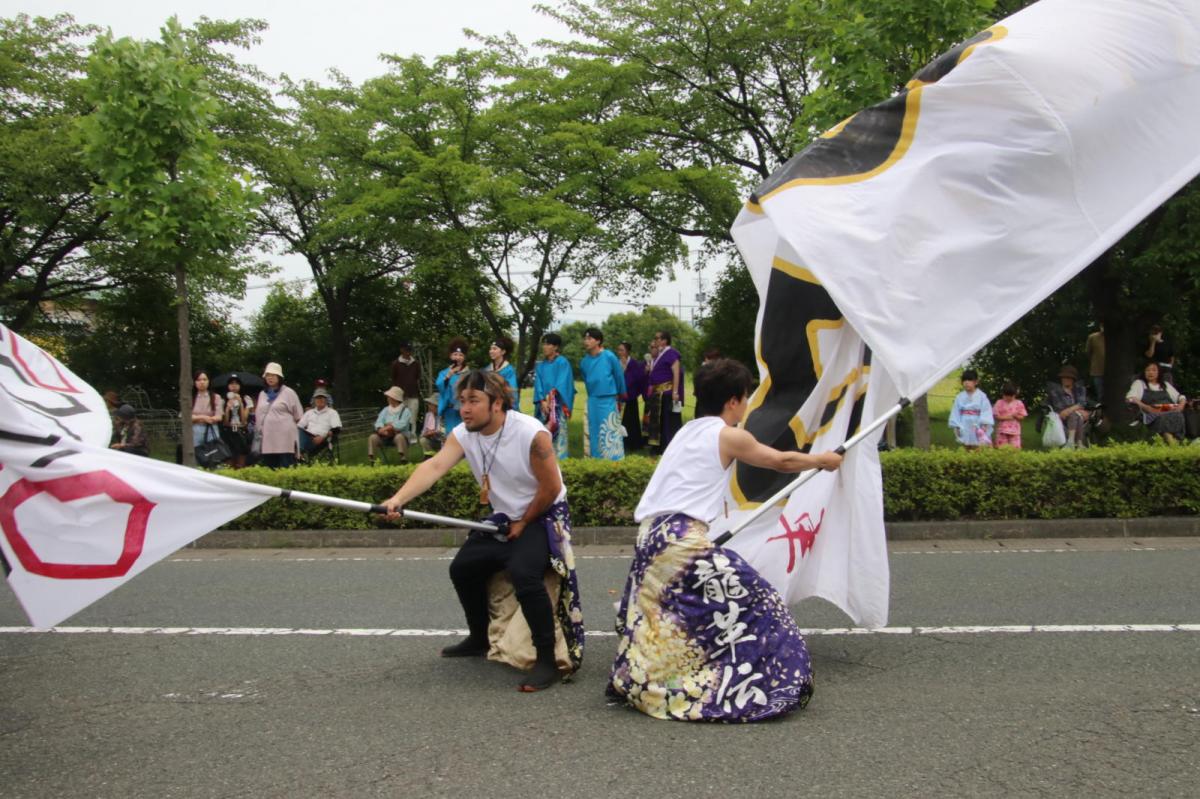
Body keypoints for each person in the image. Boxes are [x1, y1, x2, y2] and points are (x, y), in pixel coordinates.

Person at [607, 358, 842, 722]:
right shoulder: (729, 434)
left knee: (665, 613)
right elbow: (778, 461)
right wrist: (822, 460)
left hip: (651, 534)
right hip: (680, 540)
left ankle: (650, 679)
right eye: (746, 397)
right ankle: (764, 684)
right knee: (761, 600)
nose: (746, 405)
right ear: (733, 400)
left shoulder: (687, 431)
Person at [380, 370, 584, 692]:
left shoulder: (531, 434)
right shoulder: (464, 433)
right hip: (504, 516)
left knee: (523, 572)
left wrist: (524, 521)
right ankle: (479, 638)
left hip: (543, 515)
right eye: (462, 401)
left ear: (497, 403)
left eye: (474, 401)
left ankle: (546, 661)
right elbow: (433, 466)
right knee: (462, 568)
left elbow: (551, 487)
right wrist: (398, 499)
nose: (465, 409)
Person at [580, 327, 626, 460]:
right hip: (593, 400)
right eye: (585, 338)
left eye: (589, 338)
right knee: (594, 430)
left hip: (608, 399)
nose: (586, 341)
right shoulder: (584, 361)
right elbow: (586, 379)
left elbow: (618, 376)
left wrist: (620, 394)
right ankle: (595, 457)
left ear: (598, 341)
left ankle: (614, 458)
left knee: (609, 429)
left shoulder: (609, 356)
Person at [533, 332, 575, 459]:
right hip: (542, 407)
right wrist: (542, 401)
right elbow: (538, 384)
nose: (544, 347)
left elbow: (562, 383)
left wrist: (551, 400)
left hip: (557, 407)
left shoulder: (563, 363)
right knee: (542, 435)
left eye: (548, 344)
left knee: (559, 434)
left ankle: (560, 461)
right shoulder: (541, 365)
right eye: (543, 344)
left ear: (556, 347)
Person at [254, 362, 303, 468]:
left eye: (273, 375)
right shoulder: (262, 394)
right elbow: (258, 415)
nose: (270, 378)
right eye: (267, 375)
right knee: (270, 468)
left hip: (285, 438)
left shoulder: (289, 392)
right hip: (268, 438)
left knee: (286, 467)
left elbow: (298, 415)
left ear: (279, 377)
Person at [1126, 362, 1187, 444]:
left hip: (1169, 410)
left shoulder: (1165, 385)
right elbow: (1130, 398)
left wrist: (1181, 405)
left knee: (1179, 415)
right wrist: (1146, 407)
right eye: (1148, 370)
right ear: (1144, 372)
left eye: (1154, 370)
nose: (1151, 372)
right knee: (1163, 417)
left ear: (1159, 372)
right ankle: (1171, 441)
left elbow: (1180, 397)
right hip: (1150, 414)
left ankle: (1175, 440)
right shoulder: (1139, 383)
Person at [645, 330, 684, 454]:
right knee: (657, 422)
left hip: (666, 393)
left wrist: (675, 391)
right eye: (655, 338)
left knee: (667, 422)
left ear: (664, 340)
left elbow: (676, 373)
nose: (655, 341)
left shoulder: (672, 353)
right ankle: (658, 446)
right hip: (657, 394)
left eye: (657, 338)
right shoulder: (659, 355)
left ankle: (669, 446)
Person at [1046, 365, 1090, 449]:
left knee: (1077, 416)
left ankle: (1071, 442)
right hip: (1061, 415)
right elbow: (1060, 407)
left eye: (1068, 377)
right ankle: (1077, 443)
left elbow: (1083, 403)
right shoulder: (1056, 391)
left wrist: (1071, 409)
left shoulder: (1080, 389)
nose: (1065, 379)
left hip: (1075, 414)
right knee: (1077, 415)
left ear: (1073, 379)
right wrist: (1076, 408)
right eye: (1063, 377)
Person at [948, 369, 994, 449]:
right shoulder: (959, 397)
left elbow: (986, 410)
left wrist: (984, 424)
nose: (966, 382)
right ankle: (967, 459)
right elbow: (955, 412)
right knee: (966, 444)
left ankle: (977, 460)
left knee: (978, 445)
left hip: (977, 422)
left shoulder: (982, 396)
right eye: (964, 380)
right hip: (964, 422)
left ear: (976, 382)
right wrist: (957, 426)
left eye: (969, 380)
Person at [369, 386, 413, 464]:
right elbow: (379, 422)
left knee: (399, 437)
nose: (388, 399)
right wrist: (380, 429)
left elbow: (401, 424)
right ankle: (372, 460)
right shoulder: (385, 410)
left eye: (389, 397)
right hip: (385, 436)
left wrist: (389, 427)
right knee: (373, 437)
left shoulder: (406, 411)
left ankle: (403, 459)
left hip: (398, 435)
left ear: (395, 398)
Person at [298, 387, 343, 459]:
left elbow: (337, 429)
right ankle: (299, 453)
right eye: (318, 398)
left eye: (322, 397)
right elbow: (300, 426)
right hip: (308, 439)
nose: (320, 400)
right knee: (296, 430)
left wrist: (323, 437)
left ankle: (299, 454)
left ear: (326, 400)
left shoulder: (332, 412)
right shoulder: (309, 413)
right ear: (314, 400)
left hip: (323, 441)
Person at [617, 341, 646, 452]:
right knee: (619, 420)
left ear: (628, 351)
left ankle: (633, 443)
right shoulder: (616, 362)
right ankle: (620, 442)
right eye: (618, 350)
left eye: (622, 350)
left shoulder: (634, 364)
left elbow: (637, 379)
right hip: (618, 397)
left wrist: (625, 370)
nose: (620, 352)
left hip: (631, 397)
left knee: (631, 421)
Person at [190, 370, 225, 462]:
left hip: (211, 429)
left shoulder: (215, 397)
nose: (202, 382)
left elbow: (219, 416)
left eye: (204, 379)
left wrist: (201, 418)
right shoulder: (190, 397)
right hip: (195, 430)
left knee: (214, 457)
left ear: (208, 381)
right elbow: (186, 417)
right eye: (199, 380)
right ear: (195, 382)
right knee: (198, 457)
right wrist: (203, 417)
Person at [436, 339, 469, 434]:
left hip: (464, 411)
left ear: (464, 357)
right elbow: (440, 386)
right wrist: (448, 376)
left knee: (464, 436)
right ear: (450, 356)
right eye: (455, 354)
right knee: (449, 436)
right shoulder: (444, 373)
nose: (458, 357)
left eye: (461, 355)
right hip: (449, 411)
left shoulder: (469, 374)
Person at [221, 375, 253, 469]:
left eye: (236, 383)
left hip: (241, 431)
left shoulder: (246, 398)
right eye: (231, 383)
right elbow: (225, 422)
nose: (234, 386)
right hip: (227, 431)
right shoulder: (223, 399)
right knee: (228, 462)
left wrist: (241, 404)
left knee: (241, 462)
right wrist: (227, 408)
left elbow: (244, 421)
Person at [486, 336, 521, 411]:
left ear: (503, 352)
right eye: (490, 348)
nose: (491, 351)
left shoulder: (509, 370)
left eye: (494, 349)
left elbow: (512, 391)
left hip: (504, 407)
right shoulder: (488, 369)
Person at [389, 342, 421, 423]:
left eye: (410, 350)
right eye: (406, 350)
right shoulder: (395, 364)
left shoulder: (416, 363)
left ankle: (412, 433)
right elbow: (393, 379)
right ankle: (401, 434)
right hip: (400, 396)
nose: (408, 352)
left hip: (413, 394)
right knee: (400, 415)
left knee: (413, 415)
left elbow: (417, 377)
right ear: (401, 350)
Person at [992, 382, 1028, 449]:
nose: (1008, 398)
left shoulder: (1019, 403)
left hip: (1015, 431)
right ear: (1003, 394)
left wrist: (1016, 416)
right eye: (1006, 395)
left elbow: (1022, 417)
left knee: (1015, 448)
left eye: (1011, 396)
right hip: (1002, 430)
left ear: (1015, 394)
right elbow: (996, 416)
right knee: (1002, 448)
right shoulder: (999, 403)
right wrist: (1007, 417)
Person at [1086, 323, 1105, 401]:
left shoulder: (1115, 338)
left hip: (1113, 372)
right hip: (1097, 370)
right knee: (1100, 394)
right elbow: (1088, 352)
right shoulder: (1092, 337)